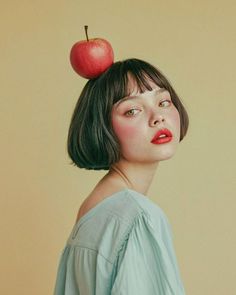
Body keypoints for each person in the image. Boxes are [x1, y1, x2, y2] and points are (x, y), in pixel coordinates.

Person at [53, 58, 189, 294]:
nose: (158, 117)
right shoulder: (139, 217)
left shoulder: (92, 209)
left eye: (164, 101)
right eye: (132, 110)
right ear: (102, 127)